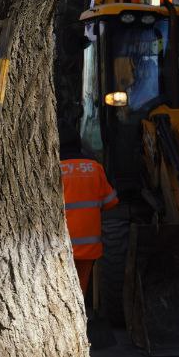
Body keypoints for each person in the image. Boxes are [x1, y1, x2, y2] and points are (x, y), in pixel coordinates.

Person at [60, 130, 119, 344]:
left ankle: (64, 334)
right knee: (79, 291)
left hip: (59, 247)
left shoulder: (51, 169)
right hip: (88, 247)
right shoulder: (95, 168)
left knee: (60, 291)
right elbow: (111, 201)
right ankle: (77, 332)